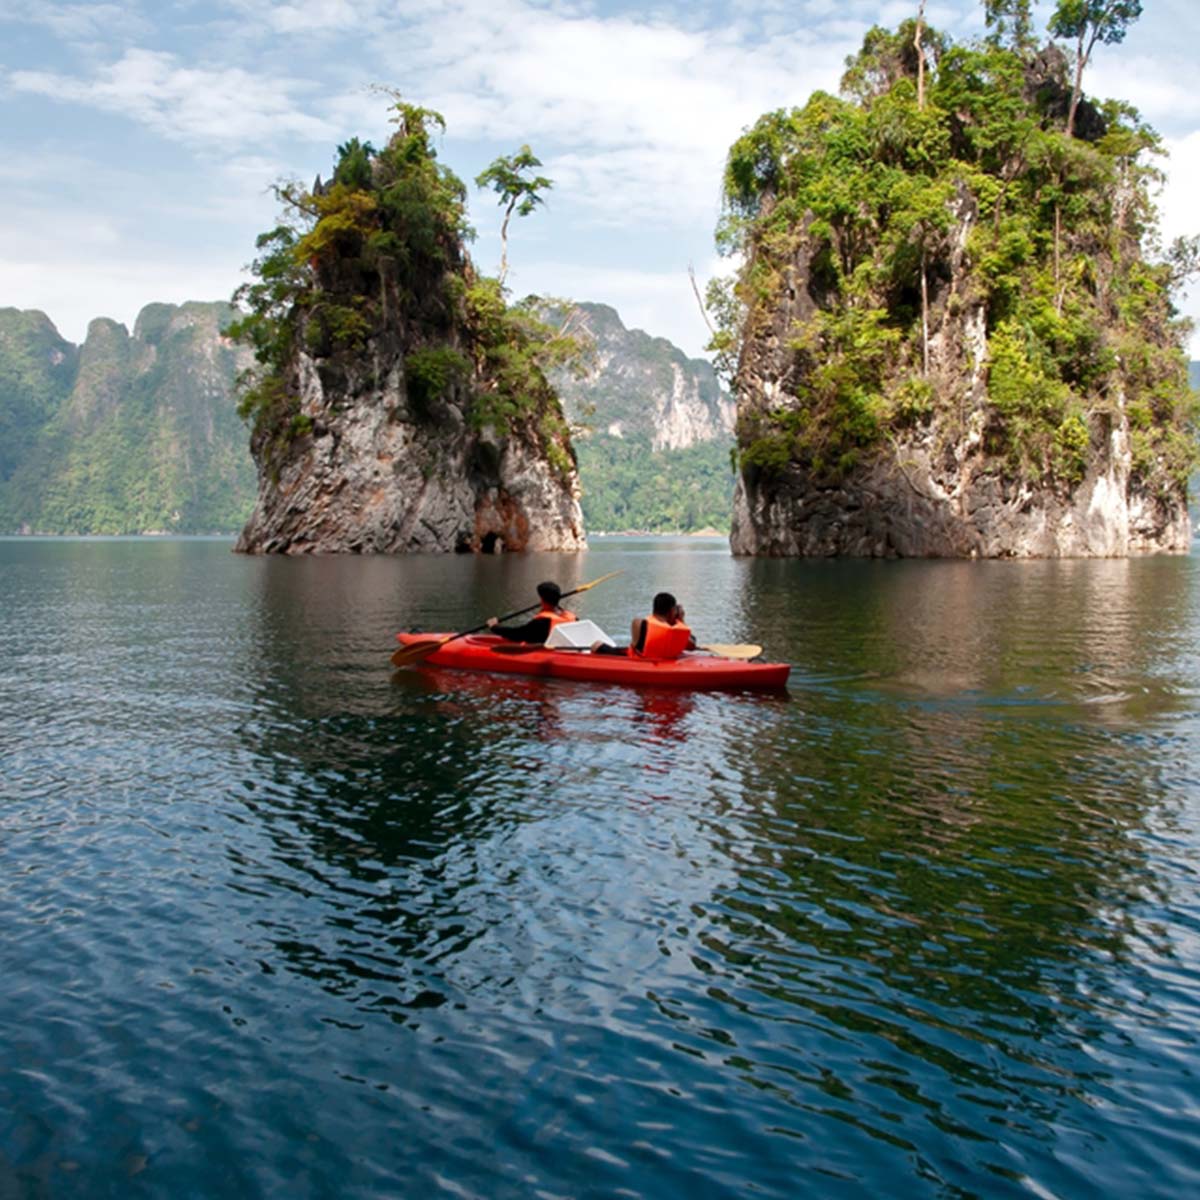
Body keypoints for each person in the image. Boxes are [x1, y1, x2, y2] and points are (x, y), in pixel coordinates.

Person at [592, 591, 696, 660]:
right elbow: (692, 646)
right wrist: (681, 620)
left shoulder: (639, 623)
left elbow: (634, 646)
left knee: (596, 644)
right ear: (672, 611)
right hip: (663, 660)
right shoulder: (678, 632)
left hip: (639, 660)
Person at [486, 581, 576, 644]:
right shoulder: (573, 618)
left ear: (542, 600)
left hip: (546, 657)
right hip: (564, 654)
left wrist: (494, 627)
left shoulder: (542, 622)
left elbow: (517, 634)